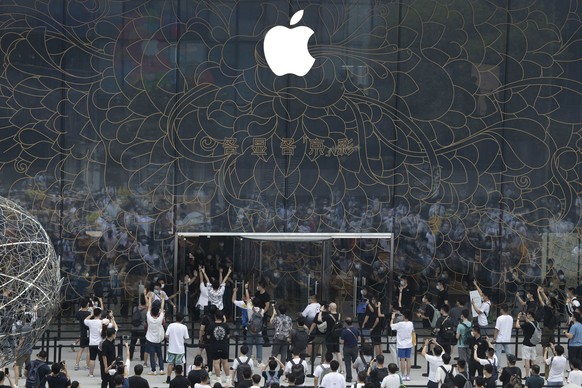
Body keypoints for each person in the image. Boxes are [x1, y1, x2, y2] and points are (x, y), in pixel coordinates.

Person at [165, 312, 190, 383]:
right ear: (182, 319)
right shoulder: (184, 327)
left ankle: (168, 378)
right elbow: (186, 337)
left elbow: (166, 335)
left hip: (171, 348)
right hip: (180, 349)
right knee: (179, 364)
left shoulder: (171, 325)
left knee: (170, 363)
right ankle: (178, 378)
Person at [207, 310, 231, 384]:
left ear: (215, 316)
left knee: (216, 362)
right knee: (225, 362)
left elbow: (208, 336)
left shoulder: (211, 325)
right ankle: (227, 378)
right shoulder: (225, 325)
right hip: (224, 346)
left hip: (214, 346)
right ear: (222, 317)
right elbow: (228, 335)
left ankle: (218, 379)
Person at [145, 291, 165, 375]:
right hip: (158, 339)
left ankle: (153, 370)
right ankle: (161, 369)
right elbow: (162, 308)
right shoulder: (160, 318)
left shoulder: (149, 317)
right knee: (160, 355)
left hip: (150, 339)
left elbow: (149, 307)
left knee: (152, 355)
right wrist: (163, 298)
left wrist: (149, 298)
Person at [390, 310, 414, 381]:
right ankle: (408, 375)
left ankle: (403, 375)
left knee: (402, 360)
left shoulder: (400, 324)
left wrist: (392, 318)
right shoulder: (411, 323)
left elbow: (391, 326)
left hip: (401, 344)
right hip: (409, 344)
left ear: (404, 316)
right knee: (408, 360)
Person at [516, 310, 538, 377]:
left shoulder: (527, 324)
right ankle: (535, 373)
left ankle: (527, 375)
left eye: (528, 314)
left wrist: (518, 318)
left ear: (530, 315)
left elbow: (517, 326)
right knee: (533, 360)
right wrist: (525, 317)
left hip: (526, 344)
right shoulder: (536, 323)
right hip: (533, 344)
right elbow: (529, 322)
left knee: (527, 361)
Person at [84, 306, 105, 377]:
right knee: (101, 359)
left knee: (92, 358)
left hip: (92, 343)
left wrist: (91, 315)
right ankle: (103, 372)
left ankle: (91, 373)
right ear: (100, 314)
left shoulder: (90, 322)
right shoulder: (101, 322)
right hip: (100, 343)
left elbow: (85, 320)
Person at [74, 298, 92, 371]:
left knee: (81, 349)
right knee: (88, 350)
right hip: (88, 332)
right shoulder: (89, 314)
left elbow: (77, 318)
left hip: (82, 332)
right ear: (87, 304)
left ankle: (76, 364)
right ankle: (87, 365)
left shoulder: (79, 313)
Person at [340, 317, 360, 382]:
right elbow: (359, 338)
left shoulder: (344, 331)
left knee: (347, 364)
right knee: (356, 363)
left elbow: (342, 342)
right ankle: (360, 376)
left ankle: (349, 378)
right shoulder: (356, 329)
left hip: (346, 348)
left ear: (345, 323)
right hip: (354, 348)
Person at [253, 279, 272, 347]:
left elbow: (267, 305)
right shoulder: (257, 293)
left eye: (258, 285)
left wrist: (263, 312)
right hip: (256, 312)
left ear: (261, 286)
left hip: (262, 313)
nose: (257, 287)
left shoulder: (266, 295)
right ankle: (257, 340)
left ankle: (266, 341)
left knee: (263, 327)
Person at [129, 296, 147, 365]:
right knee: (143, 344)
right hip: (142, 328)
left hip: (134, 328)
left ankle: (130, 356)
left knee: (132, 343)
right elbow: (146, 319)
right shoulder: (145, 311)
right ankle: (142, 357)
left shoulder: (135, 308)